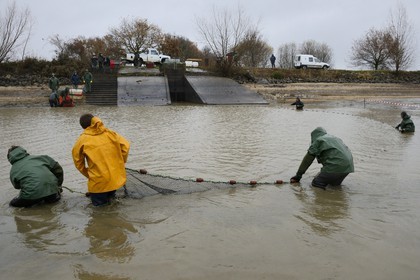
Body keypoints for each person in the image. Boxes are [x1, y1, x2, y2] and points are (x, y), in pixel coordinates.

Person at [72, 114, 130, 206]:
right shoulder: (110, 133)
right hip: (114, 181)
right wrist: (119, 163)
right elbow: (126, 147)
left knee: (99, 212)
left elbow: (78, 163)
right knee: (113, 204)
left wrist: (89, 175)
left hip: (98, 184)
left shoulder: (81, 140)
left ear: (83, 127)